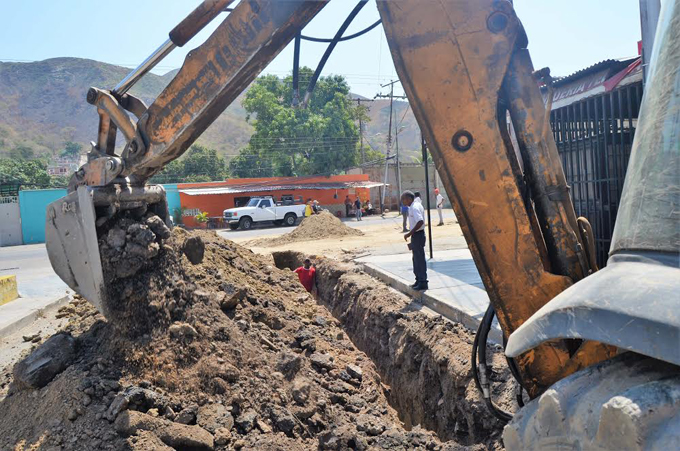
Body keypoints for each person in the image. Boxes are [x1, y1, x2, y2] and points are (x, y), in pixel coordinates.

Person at [401, 190, 428, 291]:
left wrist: (409, 233)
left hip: (418, 235)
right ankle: (418, 280)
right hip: (416, 235)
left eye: (403, 199)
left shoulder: (414, 207)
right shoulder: (413, 206)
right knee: (415, 259)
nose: (402, 202)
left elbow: (420, 221)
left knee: (419, 259)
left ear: (408, 198)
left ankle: (423, 282)